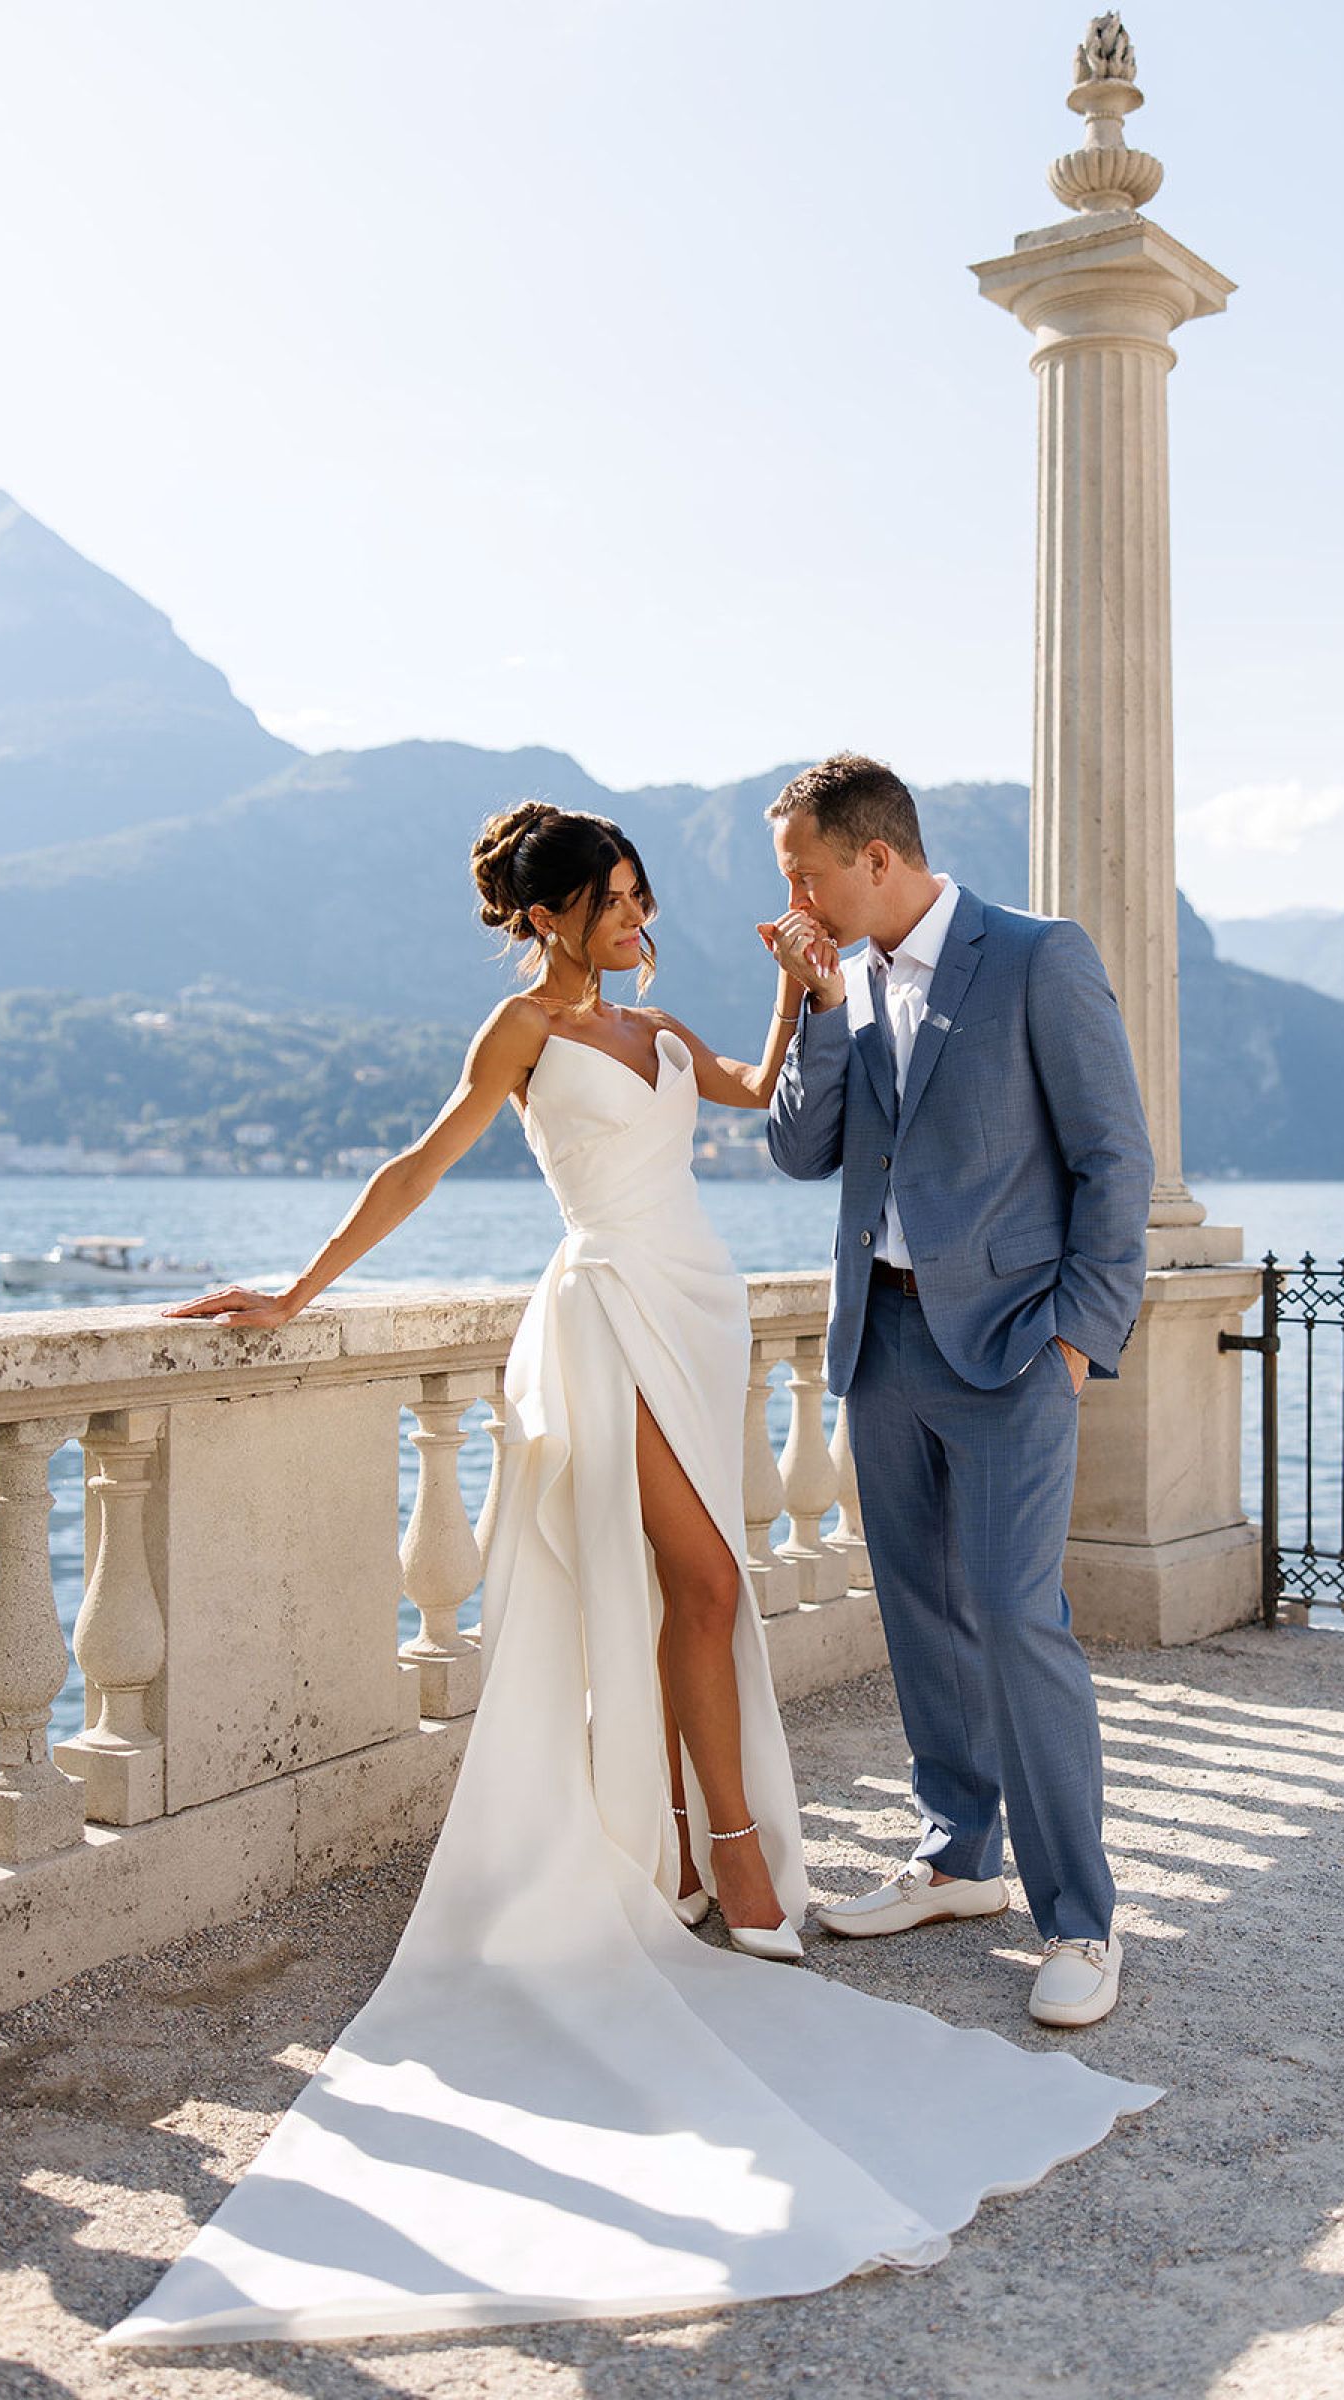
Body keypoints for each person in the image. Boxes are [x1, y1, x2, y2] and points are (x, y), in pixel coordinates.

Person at [103, 800, 1157, 2350]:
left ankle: (717, 1856)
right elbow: (418, 1163)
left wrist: (800, 993)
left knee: (694, 1590)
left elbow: (753, 1100)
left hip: (701, 1304)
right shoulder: (521, 1029)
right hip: (608, 1319)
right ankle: (729, 1857)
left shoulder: (663, 1024)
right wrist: (300, 1286)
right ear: (546, 919)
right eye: (610, 901)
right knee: (705, 1587)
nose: (636, 916)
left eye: (638, 896)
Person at [763, 754, 1154, 2031]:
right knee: (924, 1613)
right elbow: (797, 1150)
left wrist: (1079, 1338)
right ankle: (957, 1859)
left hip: (1011, 1351)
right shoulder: (852, 979)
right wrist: (814, 1004)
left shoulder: (1038, 957)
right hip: (883, 1342)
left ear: (876, 858)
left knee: (1012, 1613)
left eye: (808, 874)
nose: (798, 900)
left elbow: (1113, 1159)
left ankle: (1083, 1921)